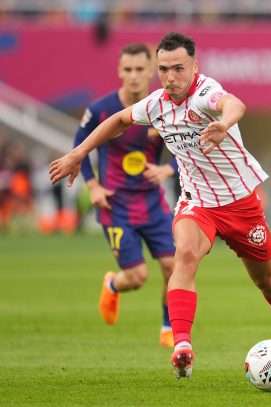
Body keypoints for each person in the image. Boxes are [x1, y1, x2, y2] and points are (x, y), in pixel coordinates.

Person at [50, 32, 271, 378]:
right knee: (183, 257)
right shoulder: (155, 104)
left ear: (194, 67)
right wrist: (78, 153)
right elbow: (118, 120)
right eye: (163, 69)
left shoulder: (205, 93)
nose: (170, 77)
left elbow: (234, 104)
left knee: (269, 281)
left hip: (241, 203)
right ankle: (181, 345)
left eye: (178, 68)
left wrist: (224, 123)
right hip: (197, 202)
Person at [72, 43, 178, 348]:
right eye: (128, 69)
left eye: (140, 69)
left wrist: (167, 169)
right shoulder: (101, 110)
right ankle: (113, 283)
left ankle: (168, 327)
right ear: (119, 71)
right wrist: (93, 185)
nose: (133, 76)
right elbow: (79, 146)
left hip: (153, 202)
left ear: (151, 71)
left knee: (173, 266)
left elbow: (188, 146)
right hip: (115, 205)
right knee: (137, 277)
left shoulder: (164, 109)